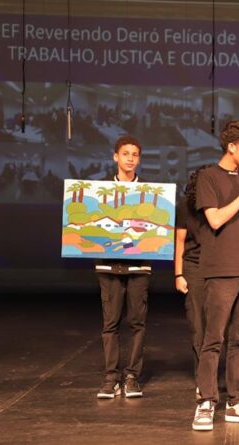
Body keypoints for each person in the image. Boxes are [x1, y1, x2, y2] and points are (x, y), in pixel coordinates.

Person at [191, 120, 239, 431]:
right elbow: (215, 219)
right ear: (231, 146)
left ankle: (237, 400)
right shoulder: (208, 177)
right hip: (221, 270)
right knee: (213, 339)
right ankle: (206, 401)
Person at [174, 165, 239, 397]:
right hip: (195, 265)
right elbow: (180, 241)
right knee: (201, 325)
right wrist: (178, 274)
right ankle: (204, 382)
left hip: (223, 262)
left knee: (237, 326)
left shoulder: (230, 200)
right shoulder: (186, 206)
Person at [95, 135, 150, 399]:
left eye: (135, 154)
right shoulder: (99, 191)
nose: (130, 158)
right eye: (125, 153)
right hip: (108, 266)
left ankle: (132, 377)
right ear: (115, 156)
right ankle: (111, 378)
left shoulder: (149, 193)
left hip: (139, 266)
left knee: (137, 322)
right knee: (111, 322)